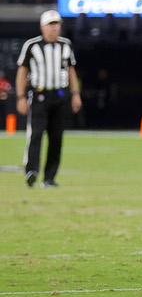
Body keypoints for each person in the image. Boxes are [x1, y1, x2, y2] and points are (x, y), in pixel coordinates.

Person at [15, 10, 82, 188]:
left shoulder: (66, 45)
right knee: (36, 134)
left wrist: (75, 94)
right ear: (42, 27)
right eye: (50, 25)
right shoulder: (32, 45)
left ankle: (49, 177)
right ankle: (32, 170)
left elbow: (71, 71)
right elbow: (22, 72)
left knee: (56, 137)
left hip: (59, 95)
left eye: (57, 24)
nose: (54, 28)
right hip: (39, 95)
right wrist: (21, 96)